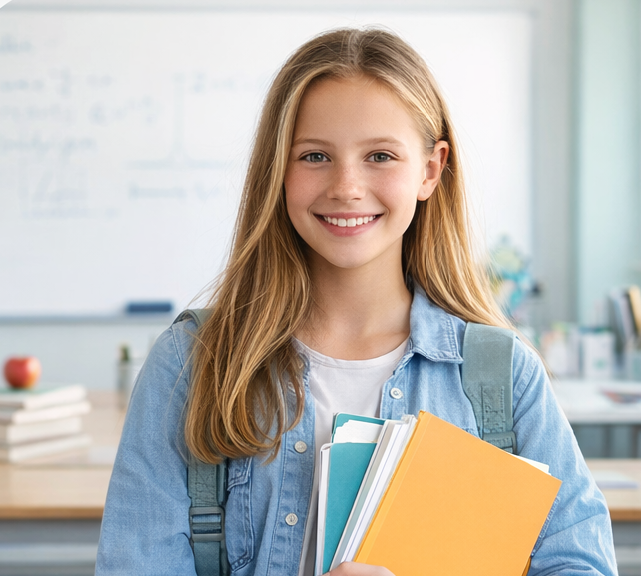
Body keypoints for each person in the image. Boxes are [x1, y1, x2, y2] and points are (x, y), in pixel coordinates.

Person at [95, 27, 617, 576]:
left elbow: (579, 564)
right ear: (278, 170)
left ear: (431, 170)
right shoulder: (191, 364)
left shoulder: (503, 376)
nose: (346, 186)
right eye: (315, 155)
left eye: (380, 156)